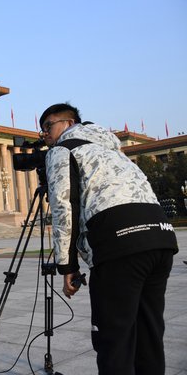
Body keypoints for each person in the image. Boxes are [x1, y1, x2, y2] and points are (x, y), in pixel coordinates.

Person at [40, 103, 178, 375]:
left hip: (120, 244)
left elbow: (63, 208)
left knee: (113, 340)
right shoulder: (113, 151)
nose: (44, 134)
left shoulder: (62, 150)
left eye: (48, 126)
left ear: (69, 124)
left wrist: (67, 267)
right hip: (160, 237)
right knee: (149, 334)